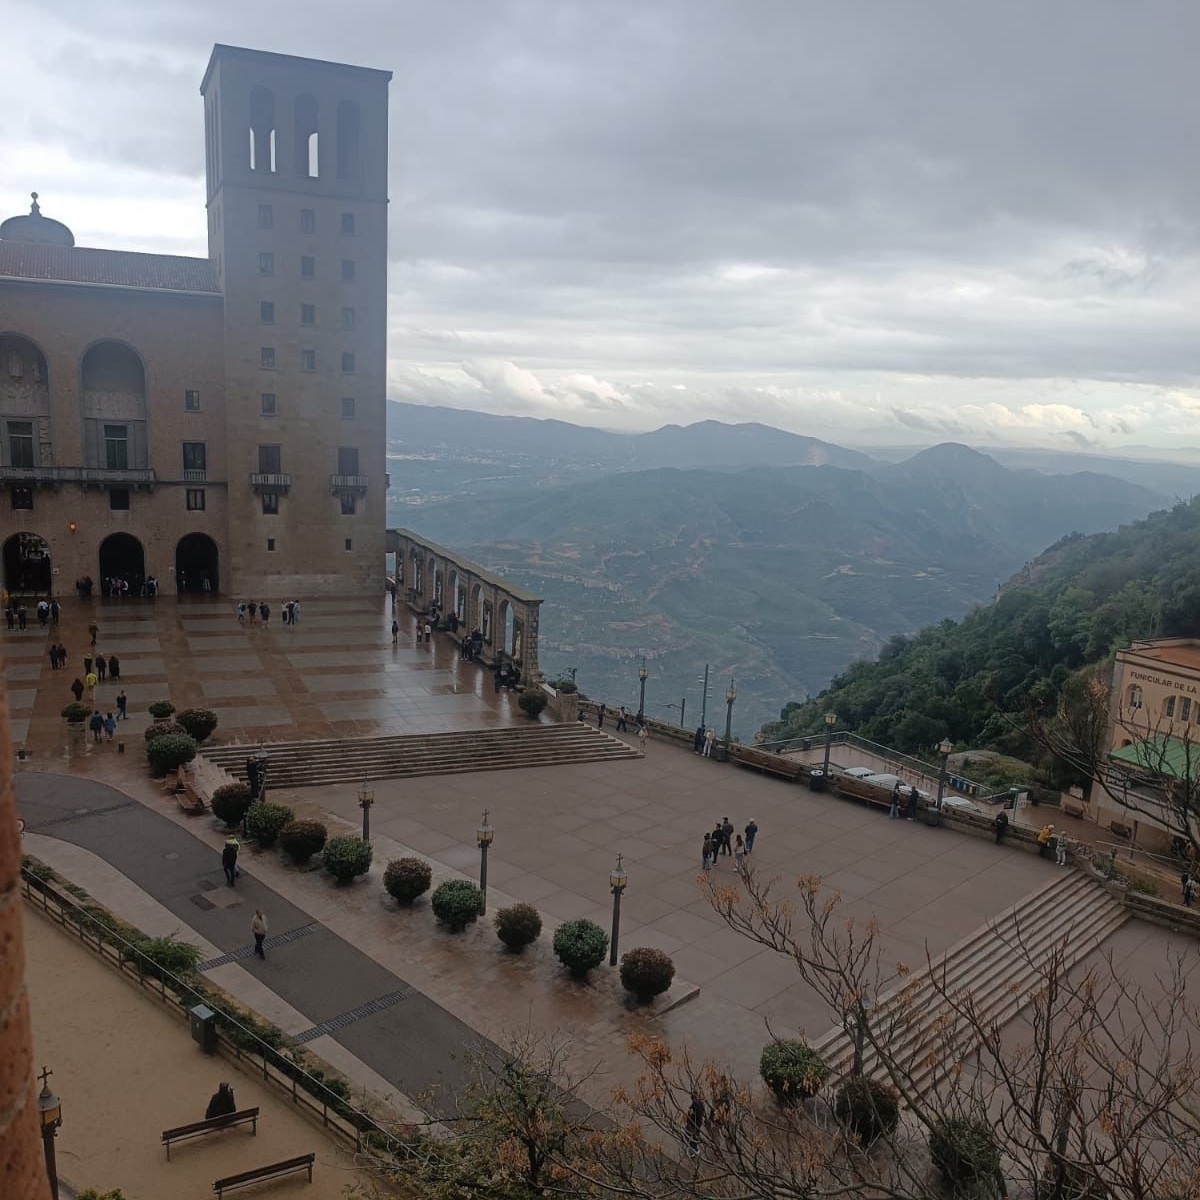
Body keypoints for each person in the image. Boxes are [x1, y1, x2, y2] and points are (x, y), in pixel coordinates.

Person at [684, 1091, 706, 1158]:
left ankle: (694, 1149)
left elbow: (689, 1118)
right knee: (694, 1135)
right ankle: (694, 1148)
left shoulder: (692, 1108)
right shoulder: (701, 1104)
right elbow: (703, 1113)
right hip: (698, 1123)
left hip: (694, 1124)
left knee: (690, 1135)